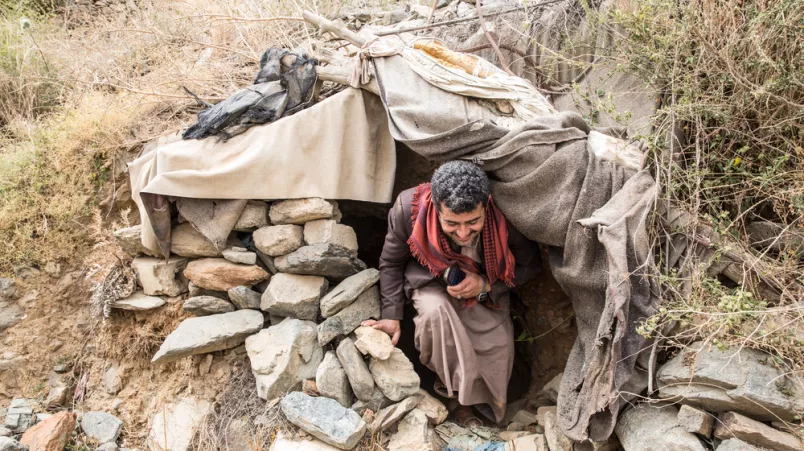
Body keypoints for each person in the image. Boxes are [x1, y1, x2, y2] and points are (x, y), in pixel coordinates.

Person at [362, 160, 541, 425]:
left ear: (486, 204)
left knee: (497, 345)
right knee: (435, 315)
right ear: (435, 207)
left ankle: (486, 410)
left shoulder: (505, 214)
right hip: (431, 281)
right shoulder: (407, 209)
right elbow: (391, 263)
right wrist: (391, 315)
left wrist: (486, 285)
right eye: (452, 224)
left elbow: (531, 264)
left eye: (473, 222)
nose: (463, 232)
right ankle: (456, 402)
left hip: (486, 288)